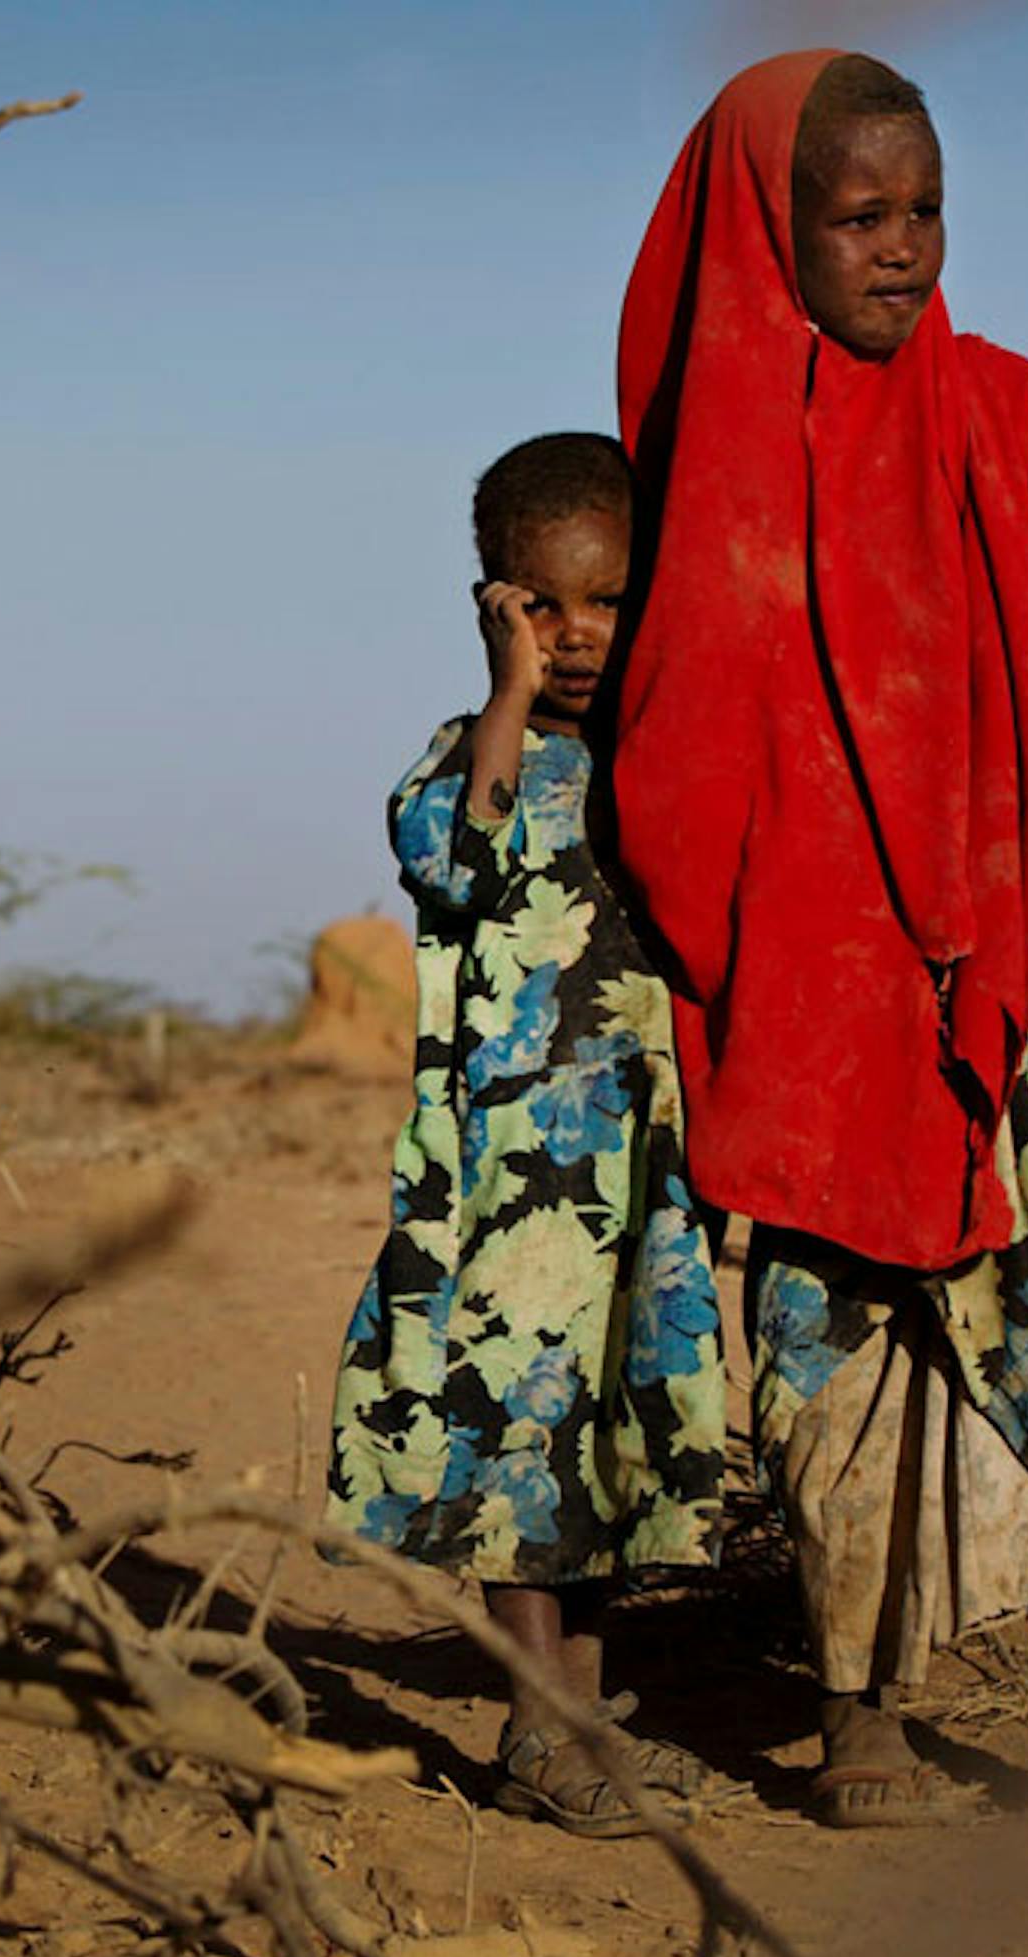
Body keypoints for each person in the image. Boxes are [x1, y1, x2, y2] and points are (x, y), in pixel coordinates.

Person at [610, 51, 1028, 1830]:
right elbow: (659, 744)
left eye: (926, 210)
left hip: (1009, 962)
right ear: (769, 234)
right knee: (827, 1337)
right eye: (858, 218)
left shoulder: (1013, 421)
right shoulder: (697, 479)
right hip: (803, 986)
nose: (904, 250)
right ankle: (863, 1699)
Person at [327, 432, 728, 1839]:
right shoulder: (467, 756)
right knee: (516, 1439)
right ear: (492, 600)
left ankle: (584, 1719)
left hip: (636, 1172)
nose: (575, 637)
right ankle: (533, 1727)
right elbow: (457, 853)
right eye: (540, 606)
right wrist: (504, 695)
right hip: (507, 1179)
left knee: (606, 1437)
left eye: (607, 601)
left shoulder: (663, 762)